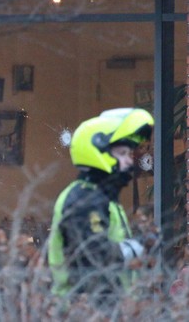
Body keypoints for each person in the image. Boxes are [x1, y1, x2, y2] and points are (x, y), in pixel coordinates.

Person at [47, 108, 154, 310]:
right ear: (98, 152)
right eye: (123, 153)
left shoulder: (101, 198)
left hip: (102, 310)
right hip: (82, 311)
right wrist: (137, 247)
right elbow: (94, 256)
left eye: (130, 153)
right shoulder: (85, 199)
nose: (130, 160)